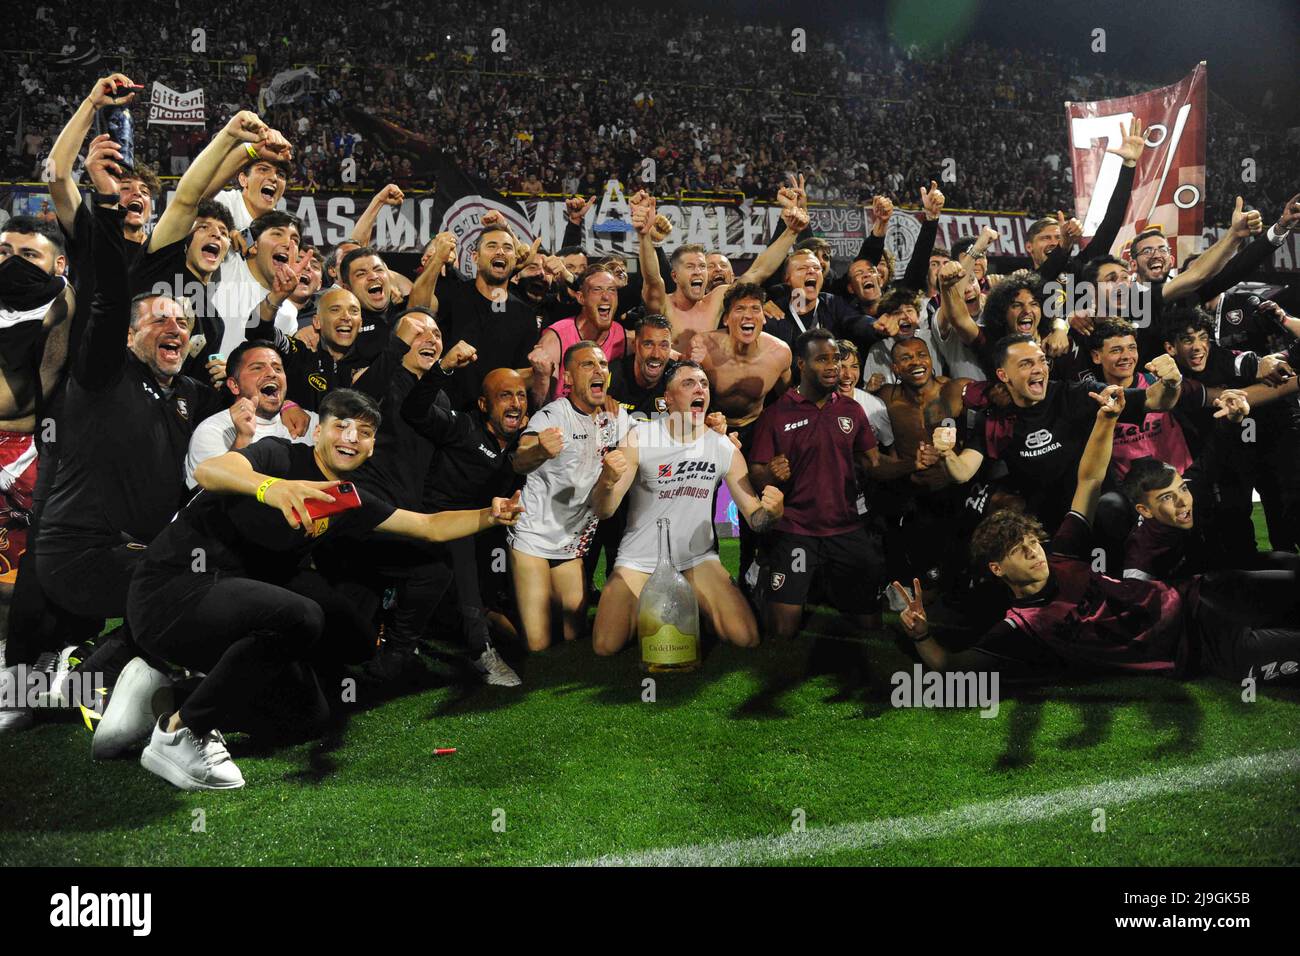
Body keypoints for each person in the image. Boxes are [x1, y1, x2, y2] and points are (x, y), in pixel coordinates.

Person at [117, 389, 522, 790]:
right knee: (302, 616)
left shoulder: (347, 499)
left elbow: (428, 526)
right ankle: (181, 732)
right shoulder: (278, 454)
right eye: (340, 425)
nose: (350, 437)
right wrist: (271, 488)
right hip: (171, 590)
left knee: (310, 715)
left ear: (371, 447)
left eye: (363, 432)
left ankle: (164, 697)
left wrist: (489, 515)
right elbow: (209, 472)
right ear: (318, 432)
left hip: (230, 606)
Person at [894, 385, 1300, 689]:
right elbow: (952, 668)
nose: (1035, 552)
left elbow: (1088, 479)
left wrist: (1106, 420)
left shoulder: (1063, 553)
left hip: (1200, 596)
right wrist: (922, 636)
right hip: (1197, 647)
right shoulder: (1020, 627)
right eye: (1020, 550)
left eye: (1033, 541)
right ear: (998, 568)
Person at [590, 360, 784, 655]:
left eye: (704, 384)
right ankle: (672, 608)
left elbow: (754, 517)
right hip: (639, 562)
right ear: (667, 398)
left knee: (745, 636)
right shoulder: (640, 438)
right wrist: (606, 481)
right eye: (689, 384)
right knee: (606, 645)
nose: (700, 389)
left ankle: (682, 605)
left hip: (697, 561)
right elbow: (605, 510)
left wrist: (772, 513)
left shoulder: (723, 446)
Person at [938, 334, 1191, 530]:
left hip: (1100, 513)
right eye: (1026, 364)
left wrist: (1171, 383)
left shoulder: (1077, 395)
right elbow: (962, 472)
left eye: (1041, 361)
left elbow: (1155, 401)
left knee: (1110, 508)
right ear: (1003, 375)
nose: (1039, 369)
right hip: (1047, 525)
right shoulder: (994, 419)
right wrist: (946, 454)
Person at [748, 329, 897, 638]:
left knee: (870, 626)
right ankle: (766, 579)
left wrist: (912, 464)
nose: (834, 368)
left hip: (846, 528)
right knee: (782, 632)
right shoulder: (776, 414)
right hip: (796, 530)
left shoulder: (851, 409)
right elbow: (756, 471)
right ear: (801, 364)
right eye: (823, 360)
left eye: (837, 359)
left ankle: (823, 585)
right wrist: (771, 474)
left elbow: (873, 463)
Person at [508, 341, 630, 651]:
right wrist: (539, 450)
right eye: (588, 365)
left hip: (570, 544)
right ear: (569, 378)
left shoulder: (616, 419)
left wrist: (709, 429)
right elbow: (519, 459)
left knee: (574, 635)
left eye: (602, 365)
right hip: (533, 538)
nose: (598, 370)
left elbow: (662, 433)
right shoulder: (553, 414)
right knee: (538, 644)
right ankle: (492, 617)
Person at [185, 342, 317, 488]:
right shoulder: (213, 431)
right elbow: (204, 499)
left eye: (278, 368)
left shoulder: (309, 422)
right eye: (257, 368)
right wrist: (242, 440)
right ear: (235, 386)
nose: (272, 373)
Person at [527, 265, 627, 402]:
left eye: (612, 290)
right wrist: (542, 378)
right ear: (581, 298)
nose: (606, 296)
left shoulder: (620, 335)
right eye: (597, 290)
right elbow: (540, 407)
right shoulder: (555, 339)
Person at [608, 313, 672, 421]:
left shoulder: (677, 376)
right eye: (648, 344)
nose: (656, 354)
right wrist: (597, 402)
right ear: (635, 345)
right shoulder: (612, 374)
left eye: (663, 346)